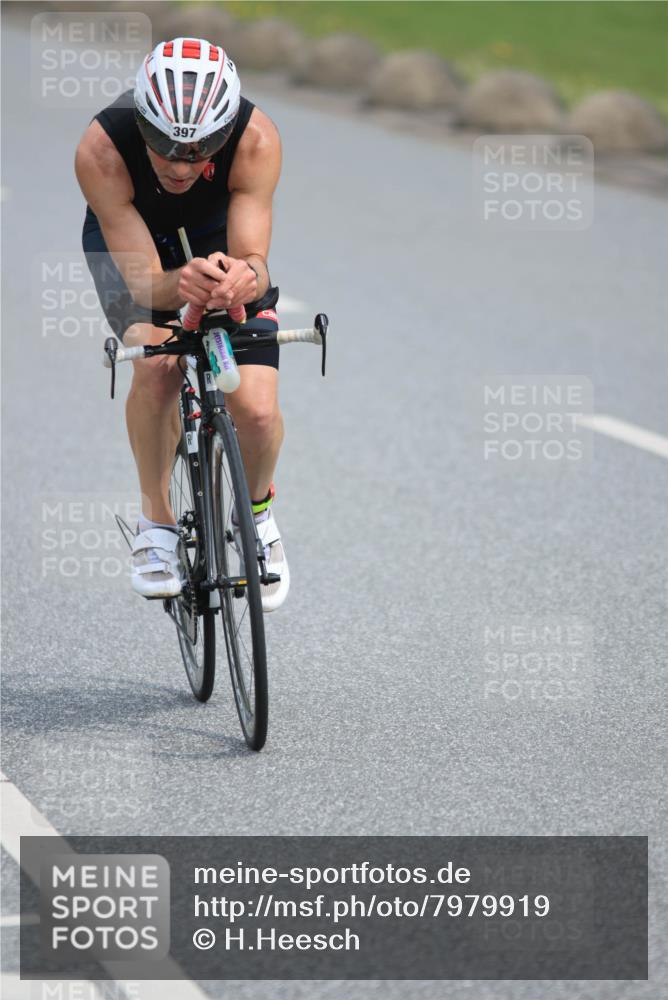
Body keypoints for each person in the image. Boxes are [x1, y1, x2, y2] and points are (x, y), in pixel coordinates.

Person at [75, 37, 288, 612]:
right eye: (165, 145)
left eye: (198, 152)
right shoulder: (103, 151)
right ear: (141, 121)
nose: (178, 164)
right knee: (160, 365)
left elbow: (253, 255)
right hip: (132, 247)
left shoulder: (257, 140)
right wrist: (179, 286)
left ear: (223, 136)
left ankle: (259, 518)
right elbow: (145, 284)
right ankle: (157, 525)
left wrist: (245, 277)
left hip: (217, 238)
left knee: (259, 410)